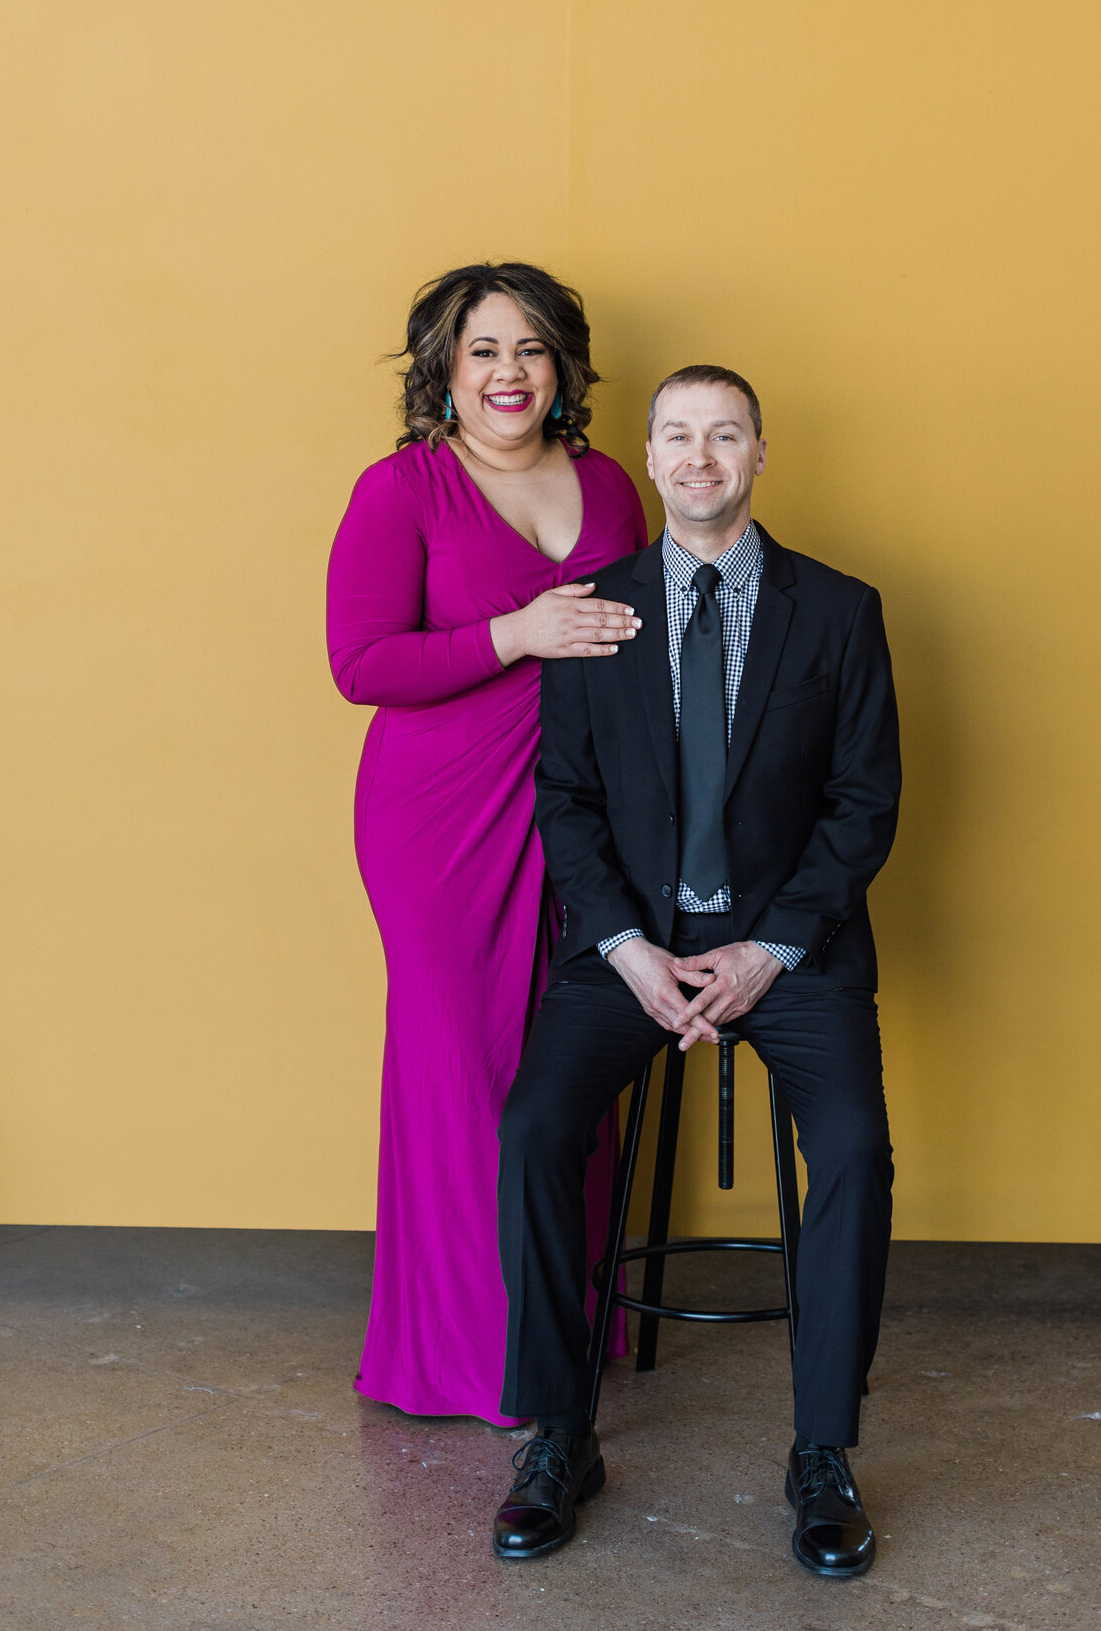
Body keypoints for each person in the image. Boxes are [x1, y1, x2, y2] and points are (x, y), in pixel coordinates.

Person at [492, 365, 901, 1575]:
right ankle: (559, 1437)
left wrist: (769, 950)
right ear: (653, 456)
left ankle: (822, 1452)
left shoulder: (838, 611)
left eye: (725, 436)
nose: (700, 457)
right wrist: (626, 948)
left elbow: (865, 801)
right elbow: (563, 801)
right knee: (532, 1128)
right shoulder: (594, 612)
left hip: (794, 952)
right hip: (631, 955)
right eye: (678, 436)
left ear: (760, 455)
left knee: (858, 1150)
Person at [326, 262, 647, 1424]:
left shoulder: (613, 484)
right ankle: (475, 1357)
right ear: (442, 375)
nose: (508, 373)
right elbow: (361, 664)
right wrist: (516, 631)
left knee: (577, 1064)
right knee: (462, 1075)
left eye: (530, 350)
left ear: (562, 367)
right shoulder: (401, 489)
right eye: (482, 352)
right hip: (440, 820)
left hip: (583, 809)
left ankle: (569, 1317)